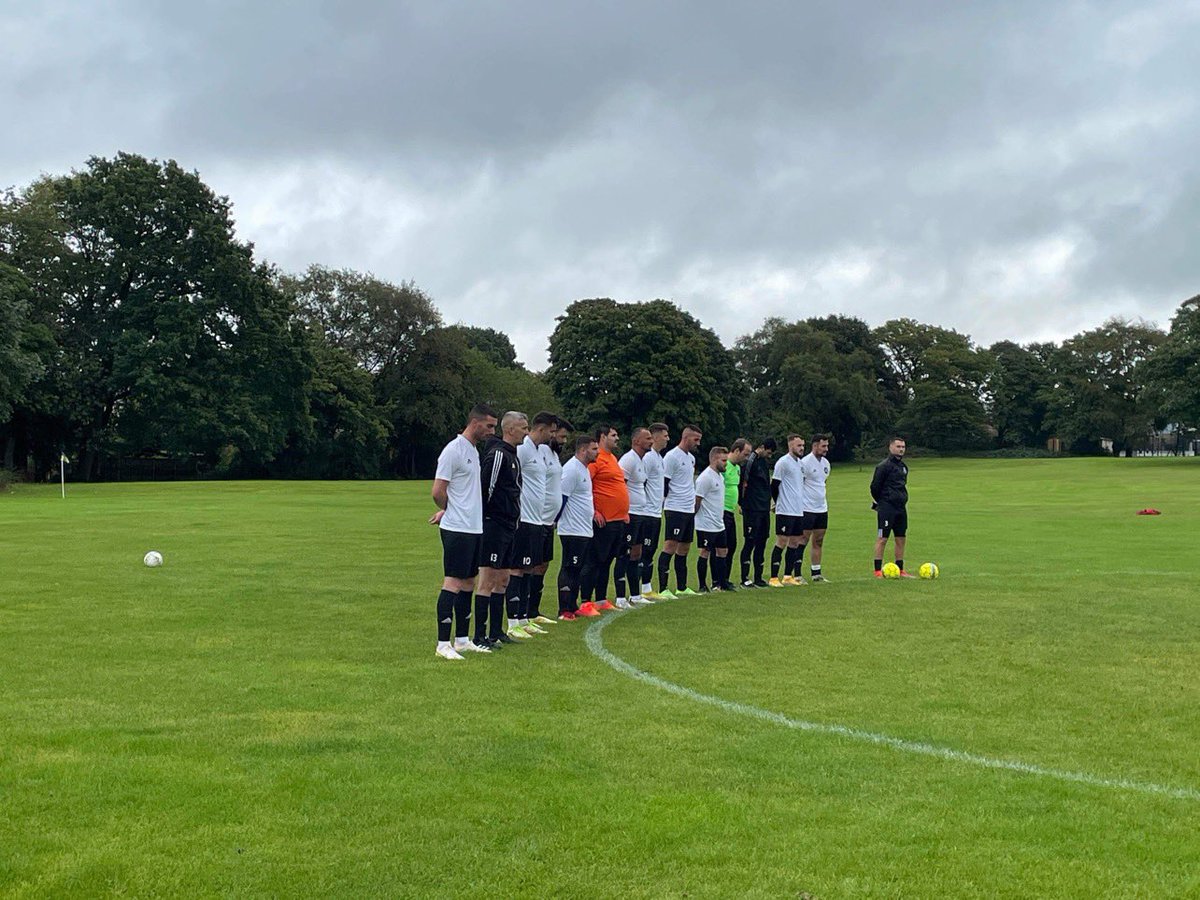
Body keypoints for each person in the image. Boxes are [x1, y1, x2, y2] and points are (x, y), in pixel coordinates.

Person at [429, 404, 497, 660]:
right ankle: (442, 644)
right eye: (489, 426)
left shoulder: (474, 450)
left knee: (469, 582)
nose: (492, 431)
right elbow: (438, 491)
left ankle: (461, 639)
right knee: (454, 582)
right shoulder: (453, 450)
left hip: (474, 527)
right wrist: (449, 510)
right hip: (457, 529)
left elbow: (465, 491)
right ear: (475, 422)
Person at [475, 411, 531, 647]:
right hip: (495, 525)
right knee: (487, 578)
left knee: (504, 579)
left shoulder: (513, 456)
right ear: (510, 430)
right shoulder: (498, 454)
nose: (526, 433)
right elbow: (485, 488)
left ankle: (497, 631)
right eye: (523, 428)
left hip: (510, 525)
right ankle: (479, 635)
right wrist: (488, 518)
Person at [506, 411, 561, 648]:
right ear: (542, 429)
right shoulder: (524, 449)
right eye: (551, 430)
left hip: (538, 520)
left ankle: (525, 617)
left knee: (529, 568)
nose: (553, 435)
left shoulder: (539, 452)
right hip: (524, 519)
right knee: (517, 569)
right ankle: (512, 622)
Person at [582, 425, 629, 615]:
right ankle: (585, 600)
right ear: (603, 437)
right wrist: (594, 511)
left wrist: (623, 510)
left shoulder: (613, 459)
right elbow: (586, 487)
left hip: (618, 520)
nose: (617, 438)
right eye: (613, 435)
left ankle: (601, 599)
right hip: (603, 521)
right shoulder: (596, 459)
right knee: (594, 560)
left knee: (607, 561)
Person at [529, 416, 571, 621]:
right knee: (530, 565)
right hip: (536, 518)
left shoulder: (553, 454)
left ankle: (534, 611)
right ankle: (524, 612)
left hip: (548, 521)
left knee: (543, 564)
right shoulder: (540, 451)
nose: (562, 440)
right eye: (559, 435)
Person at [658, 424, 703, 597]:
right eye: (696, 439)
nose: (698, 443)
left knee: (684, 547)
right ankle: (663, 589)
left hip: (687, 509)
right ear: (686, 438)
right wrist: (664, 503)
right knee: (670, 545)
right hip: (675, 508)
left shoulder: (691, 458)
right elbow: (664, 483)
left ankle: (682, 587)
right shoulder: (671, 457)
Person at [557, 435, 599, 617]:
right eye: (594, 449)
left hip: (584, 528)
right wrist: (555, 520)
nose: (597, 452)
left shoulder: (584, 469)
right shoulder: (572, 469)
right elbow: (562, 498)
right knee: (569, 567)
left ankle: (573, 605)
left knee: (577, 568)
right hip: (572, 529)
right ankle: (564, 609)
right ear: (583, 450)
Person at [618, 427, 656, 608]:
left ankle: (635, 594)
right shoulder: (629, 459)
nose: (651, 441)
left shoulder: (642, 461)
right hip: (630, 513)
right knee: (624, 553)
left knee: (637, 553)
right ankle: (619, 596)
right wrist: (624, 511)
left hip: (641, 513)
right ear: (636, 441)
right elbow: (620, 486)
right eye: (647, 438)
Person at [871, 436, 913, 577]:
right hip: (887, 508)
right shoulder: (884, 466)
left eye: (903, 447)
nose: (901, 449)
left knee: (901, 538)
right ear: (890, 447)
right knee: (882, 538)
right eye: (898, 447)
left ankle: (900, 569)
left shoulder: (903, 467)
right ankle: (877, 570)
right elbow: (875, 487)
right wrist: (883, 502)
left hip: (901, 508)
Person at [769, 434, 806, 587]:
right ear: (791, 446)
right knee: (782, 541)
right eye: (799, 445)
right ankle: (773, 578)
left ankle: (787, 575)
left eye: (803, 445)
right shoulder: (783, 463)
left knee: (795, 542)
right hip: (785, 510)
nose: (802, 448)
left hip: (798, 510)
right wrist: (778, 503)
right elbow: (774, 486)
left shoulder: (800, 464)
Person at [740, 438, 776, 587]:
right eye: (768, 452)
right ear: (761, 447)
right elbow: (743, 482)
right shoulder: (750, 461)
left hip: (763, 509)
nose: (769, 455)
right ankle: (744, 577)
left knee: (762, 541)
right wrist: (742, 503)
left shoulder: (763, 462)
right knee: (750, 541)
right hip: (752, 508)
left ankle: (758, 577)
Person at [639, 423, 669, 598]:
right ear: (656, 436)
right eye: (664, 435)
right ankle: (642, 589)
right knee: (644, 550)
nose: (667, 439)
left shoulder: (659, 458)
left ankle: (647, 587)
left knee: (651, 550)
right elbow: (642, 483)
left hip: (656, 512)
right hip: (647, 513)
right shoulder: (649, 458)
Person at [797, 433, 832, 583]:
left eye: (827, 446)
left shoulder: (826, 464)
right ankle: (796, 574)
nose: (826, 449)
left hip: (821, 508)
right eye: (823, 446)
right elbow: (798, 485)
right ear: (815, 446)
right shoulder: (805, 463)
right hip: (807, 508)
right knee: (802, 540)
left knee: (818, 540)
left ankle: (816, 573)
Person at [694, 446, 730, 592]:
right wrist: (694, 517)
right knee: (705, 551)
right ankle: (702, 585)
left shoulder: (720, 477)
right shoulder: (705, 477)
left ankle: (720, 583)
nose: (726, 463)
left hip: (718, 523)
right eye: (723, 460)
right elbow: (697, 499)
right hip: (706, 524)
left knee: (723, 551)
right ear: (715, 459)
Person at [721, 438, 751, 591]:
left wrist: (738, 503)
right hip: (721, 512)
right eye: (745, 455)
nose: (746, 458)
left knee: (732, 545)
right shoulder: (724, 466)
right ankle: (718, 580)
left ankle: (725, 579)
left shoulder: (738, 468)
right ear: (737, 451)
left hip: (730, 512)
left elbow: (736, 488)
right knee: (721, 547)